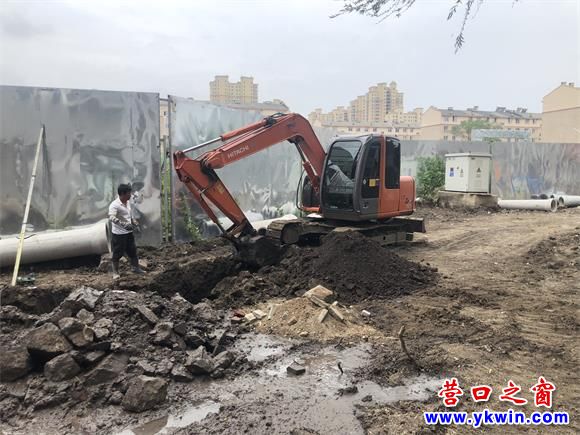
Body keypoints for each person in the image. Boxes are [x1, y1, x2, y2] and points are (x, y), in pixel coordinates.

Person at [108, 183, 145, 280]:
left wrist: (134, 222)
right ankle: (115, 272)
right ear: (123, 194)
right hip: (119, 234)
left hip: (128, 232)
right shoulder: (115, 205)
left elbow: (129, 214)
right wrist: (123, 224)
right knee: (117, 252)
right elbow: (111, 217)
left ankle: (135, 268)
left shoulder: (127, 202)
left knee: (132, 250)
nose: (130, 195)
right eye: (129, 193)